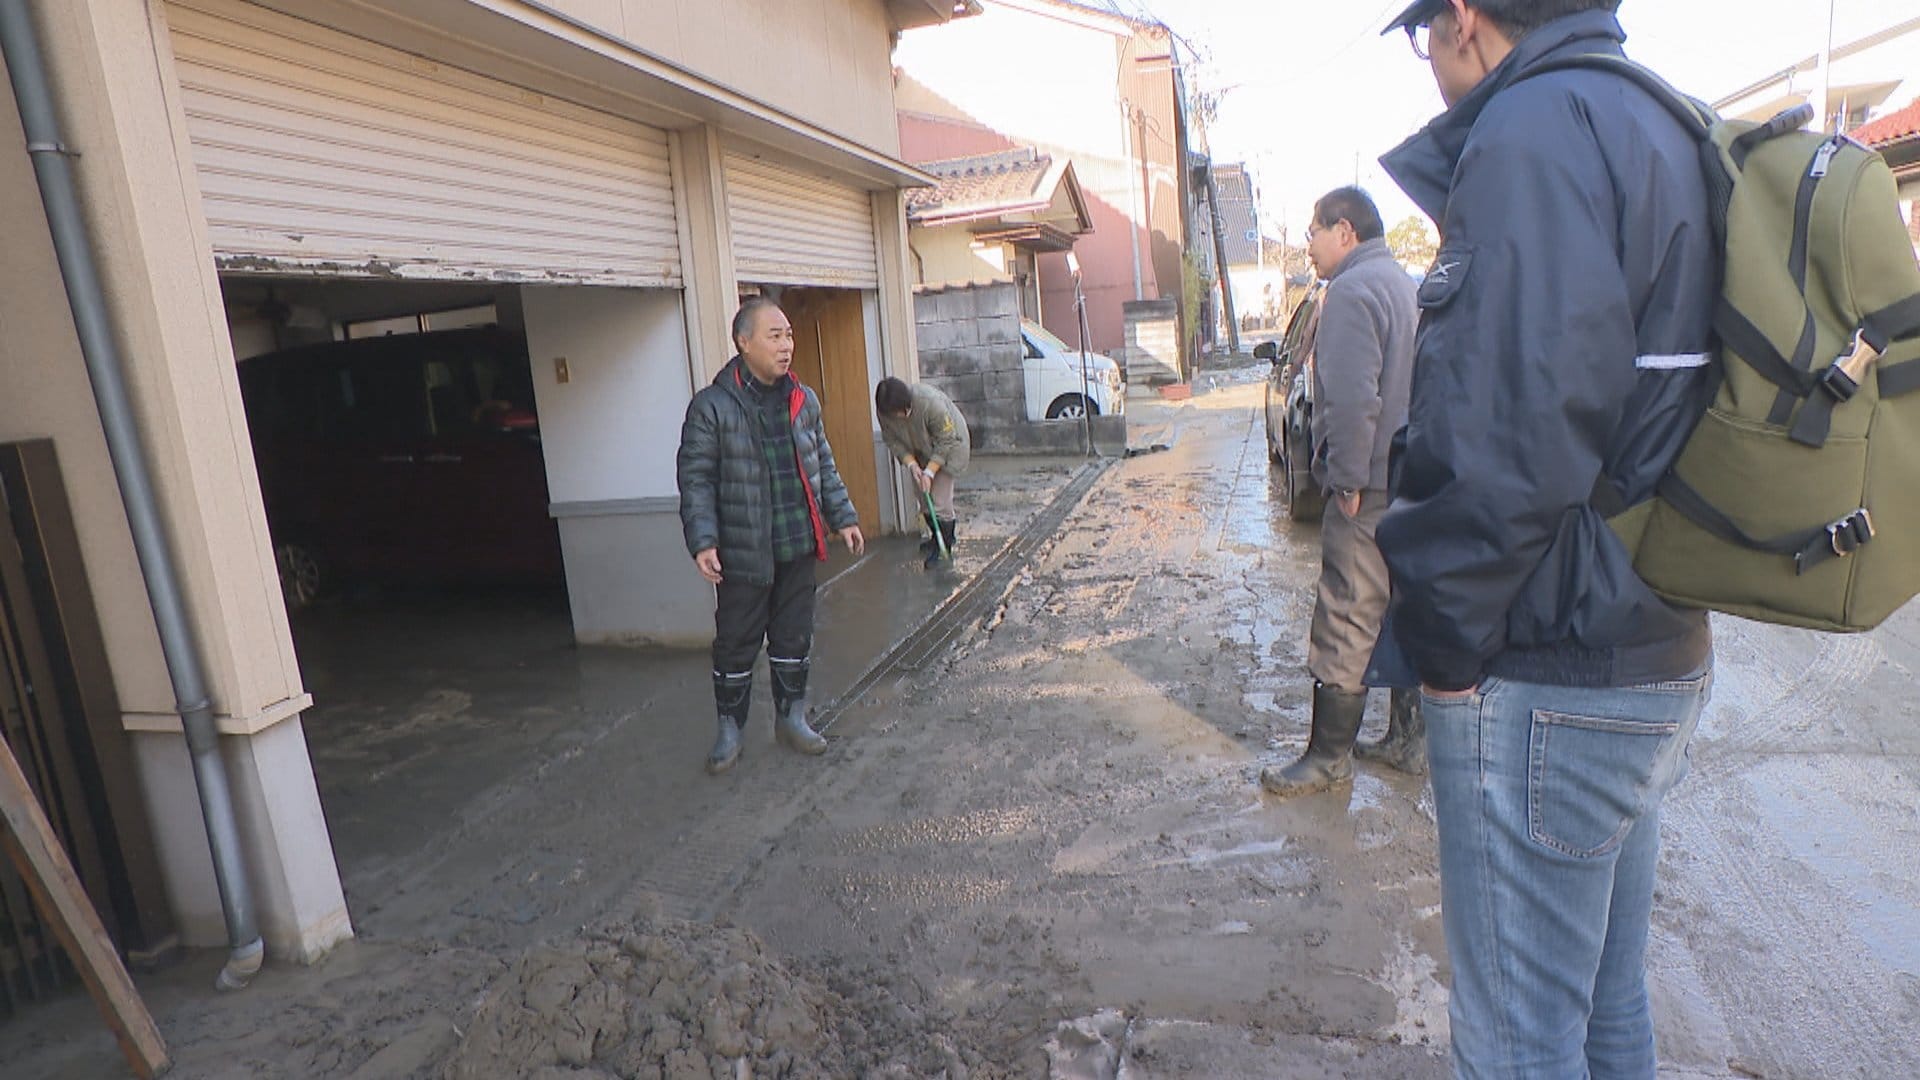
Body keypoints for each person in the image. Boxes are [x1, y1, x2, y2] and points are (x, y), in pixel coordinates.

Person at [1373, 1, 1717, 1075]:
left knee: (1519, 1042)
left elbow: (1502, 435)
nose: (1429, 56)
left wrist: (1442, 654)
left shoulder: (1531, 131)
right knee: (1606, 1006)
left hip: (1549, 663)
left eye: (1422, 32)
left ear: (1464, 18)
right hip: (1650, 633)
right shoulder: (1658, 117)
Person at [1260, 187, 1422, 798]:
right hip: (1409, 478)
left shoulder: (1352, 292)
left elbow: (1355, 399)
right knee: (1405, 607)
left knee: (1348, 611)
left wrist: (1348, 479)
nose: (1309, 246)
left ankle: (1329, 758)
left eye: (1313, 232)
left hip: (1368, 484)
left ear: (1345, 231)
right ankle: (1408, 741)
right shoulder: (1403, 284)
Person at [677, 298, 865, 775]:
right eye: (774, 336)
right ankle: (730, 729)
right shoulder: (712, 407)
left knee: (793, 637)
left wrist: (843, 517)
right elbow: (696, 478)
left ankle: (791, 718)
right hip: (744, 554)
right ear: (743, 342)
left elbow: (823, 463)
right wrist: (704, 540)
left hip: (797, 544)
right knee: (735, 643)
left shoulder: (803, 400)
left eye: (789, 335)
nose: (786, 346)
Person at [874, 376, 971, 569]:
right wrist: (912, 464)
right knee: (923, 497)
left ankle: (945, 547)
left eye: (902, 412)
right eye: (894, 414)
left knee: (940, 500)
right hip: (919, 450)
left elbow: (946, 439)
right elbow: (892, 439)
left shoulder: (930, 403)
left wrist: (930, 472)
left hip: (950, 448)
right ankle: (936, 538)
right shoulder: (884, 412)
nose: (899, 417)